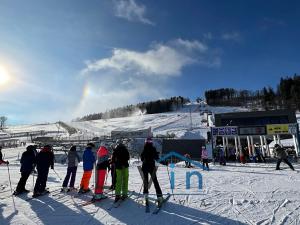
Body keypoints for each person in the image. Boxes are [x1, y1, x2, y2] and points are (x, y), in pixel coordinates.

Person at [141, 137, 163, 206]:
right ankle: (159, 197)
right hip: (151, 167)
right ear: (151, 142)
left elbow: (142, 158)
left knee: (145, 182)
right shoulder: (153, 149)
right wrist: (164, 162)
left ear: (145, 142)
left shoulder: (144, 149)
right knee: (155, 181)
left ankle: (145, 197)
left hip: (145, 167)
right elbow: (157, 159)